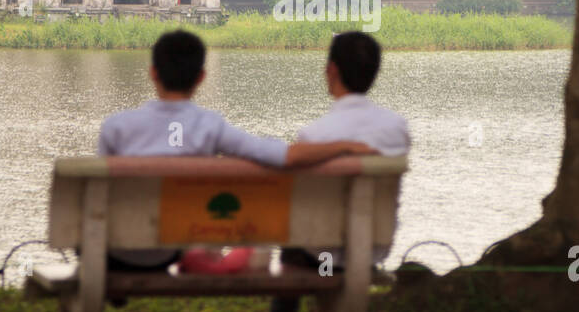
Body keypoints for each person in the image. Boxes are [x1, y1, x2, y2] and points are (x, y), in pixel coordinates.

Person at [97, 30, 374, 277]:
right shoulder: (209, 126)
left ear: (153, 72)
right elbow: (280, 156)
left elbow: (101, 194)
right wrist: (344, 145)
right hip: (166, 250)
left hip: (114, 250)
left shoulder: (115, 127)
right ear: (201, 77)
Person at [262, 31, 410, 312]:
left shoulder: (316, 135)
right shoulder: (397, 128)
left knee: (294, 232)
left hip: (322, 254)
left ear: (331, 70)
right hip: (373, 248)